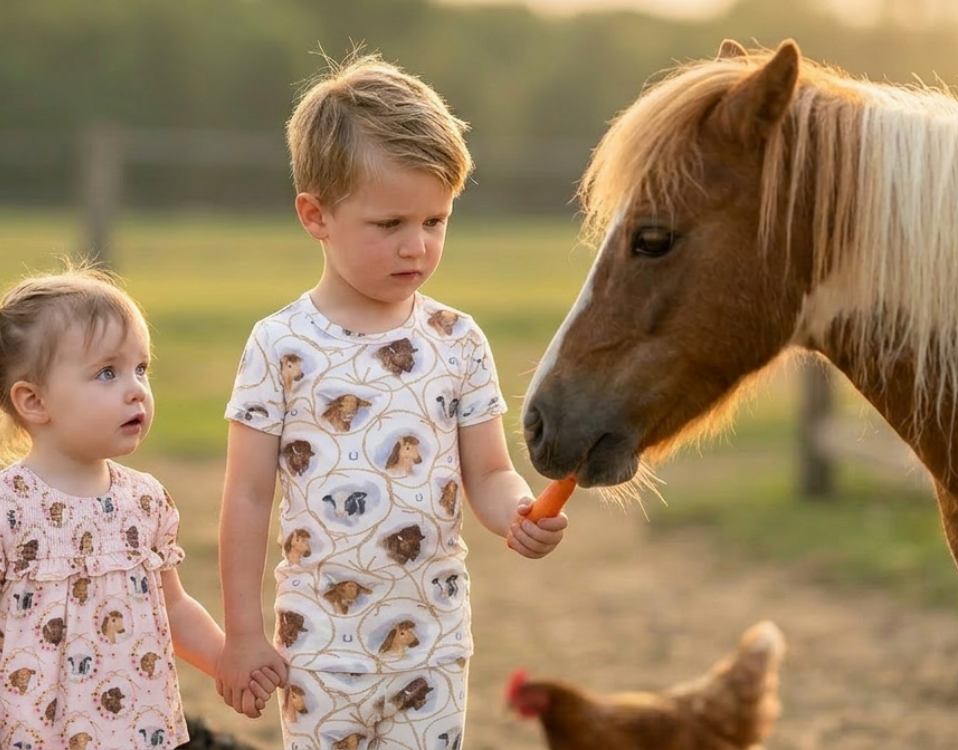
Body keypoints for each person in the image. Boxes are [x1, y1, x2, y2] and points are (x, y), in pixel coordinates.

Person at [214, 51, 569, 749]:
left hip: (433, 645)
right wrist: (244, 633)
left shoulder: (458, 340)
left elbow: (490, 473)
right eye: (390, 225)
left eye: (436, 221)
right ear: (316, 216)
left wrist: (516, 516)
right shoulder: (279, 345)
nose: (419, 246)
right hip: (320, 646)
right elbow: (247, 498)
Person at [0, 264, 279, 749]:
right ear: (34, 401)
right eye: (107, 372)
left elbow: (172, 608)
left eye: (141, 369)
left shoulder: (143, 500)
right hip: (34, 731)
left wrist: (226, 661)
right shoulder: (10, 508)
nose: (136, 389)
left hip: (136, 727)